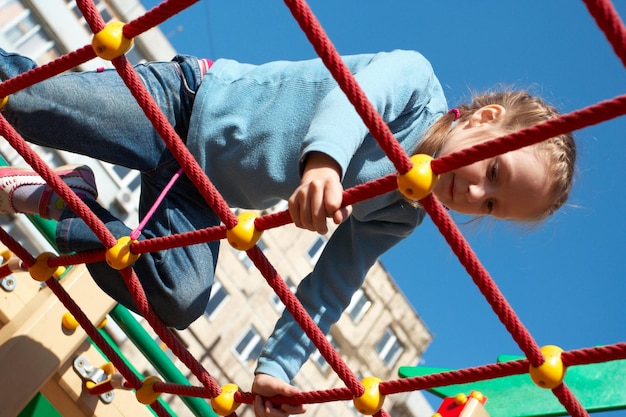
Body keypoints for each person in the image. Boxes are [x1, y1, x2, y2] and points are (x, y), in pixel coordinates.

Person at [0, 48, 575, 416]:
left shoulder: (404, 209)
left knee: (179, 298)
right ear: (485, 120)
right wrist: (323, 161)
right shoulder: (415, 83)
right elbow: (356, 100)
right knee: (27, 101)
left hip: (201, 196)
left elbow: (333, 284)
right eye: (492, 171)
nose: (475, 194)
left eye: (493, 206)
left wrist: (276, 369)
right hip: (184, 105)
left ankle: (66, 199)